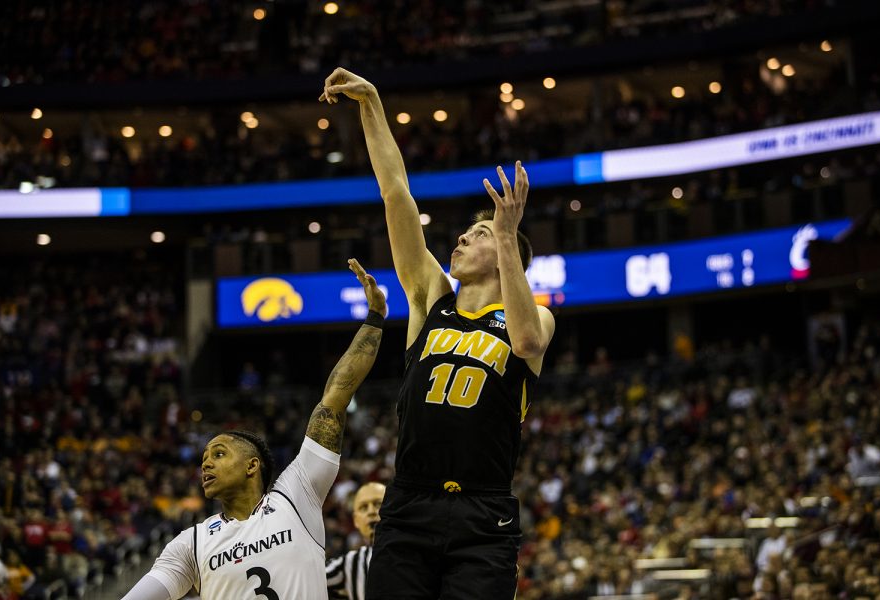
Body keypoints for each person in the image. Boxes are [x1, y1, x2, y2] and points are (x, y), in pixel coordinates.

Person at [322, 69, 556, 599]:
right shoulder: (431, 299)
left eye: (478, 235)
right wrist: (372, 104)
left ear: (504, 253)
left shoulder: (535, 318)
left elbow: (526, 345)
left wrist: (504, 232)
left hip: (484, 511)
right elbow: (396, 193)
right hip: (411, 503)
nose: (461, 238)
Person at [122, 259, 386, 600]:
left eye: (219, 453)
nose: (206, 463)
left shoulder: (296, 495)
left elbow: (335, 398)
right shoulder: (190, 544)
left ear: (252, 465)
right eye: (205, 457)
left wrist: (376, 318)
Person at [326, 482, 386, 600]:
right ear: (356, 520)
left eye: (378, 504)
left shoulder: (418, 552)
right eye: (364, 507)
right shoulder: (348, 563)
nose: (371, 511)